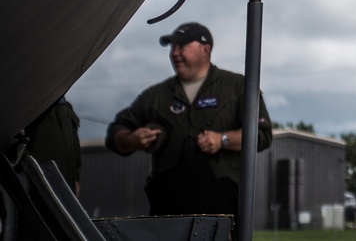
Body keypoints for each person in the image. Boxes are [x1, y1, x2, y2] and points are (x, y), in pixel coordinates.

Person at [106, 22, 272, 218]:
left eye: (182, 46)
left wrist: (222, 140)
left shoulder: (238, 87)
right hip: (169, 204)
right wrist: (132, 140)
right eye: (172, 47)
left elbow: (262, 135)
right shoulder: (156, 95)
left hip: (221, 203)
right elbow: (115, 133)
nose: (175, 53)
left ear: (206, 49)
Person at [26, 96, 82, 196]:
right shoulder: (30, 105)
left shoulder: (66, 109)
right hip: (40, 189)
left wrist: (75, 179)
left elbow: (75, 150)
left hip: (66, 188)